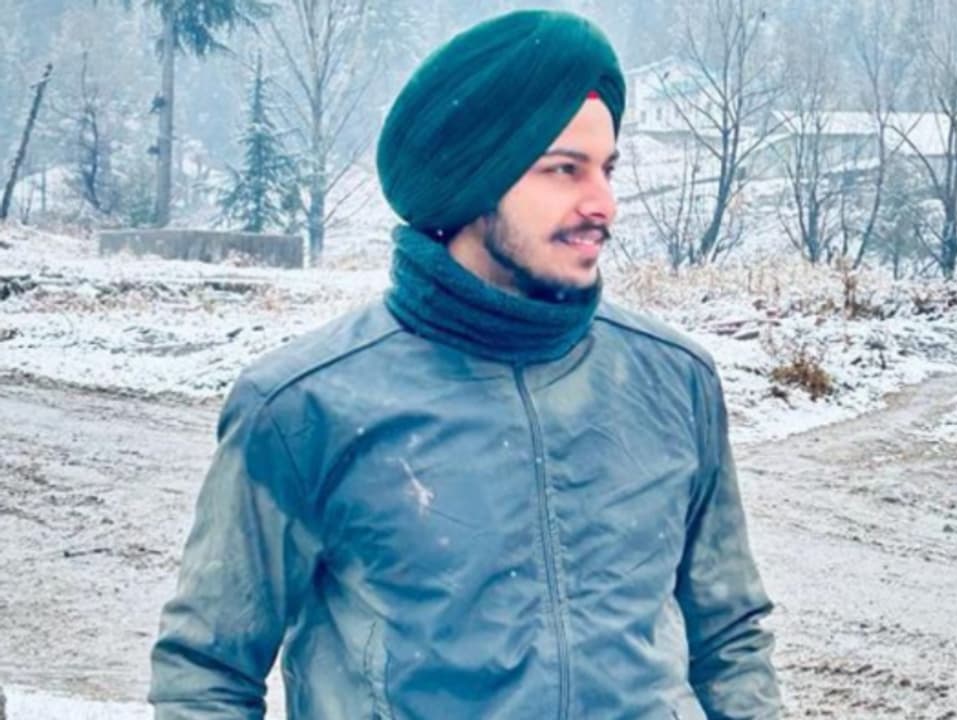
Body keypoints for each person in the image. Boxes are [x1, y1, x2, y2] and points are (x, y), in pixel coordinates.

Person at [149, 9, 780, 719]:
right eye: (563, 170)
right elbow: (207, 673)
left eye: (607, 169)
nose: (604, 204)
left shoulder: (674, 380)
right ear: (475, 182)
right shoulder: (304, 406)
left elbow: (729, 638)